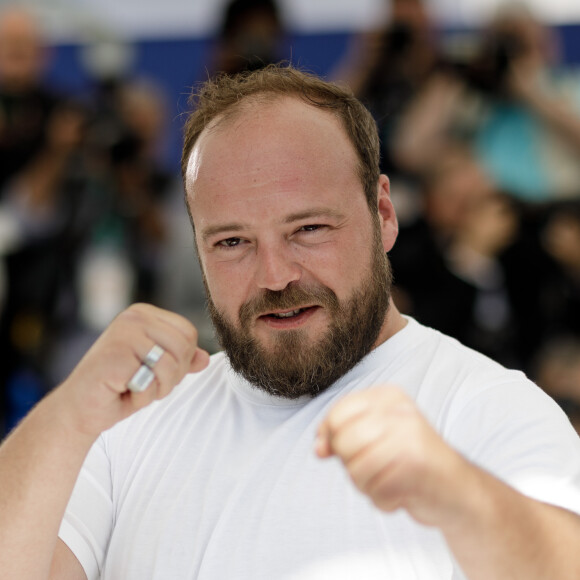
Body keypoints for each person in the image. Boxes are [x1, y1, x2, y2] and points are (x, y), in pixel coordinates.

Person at [1, 64, 580, 580]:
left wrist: (459, 497)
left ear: (382, 215)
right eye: (232, 241)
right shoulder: (129, 425)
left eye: (308, 229)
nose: (275, 276)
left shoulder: (484, 406)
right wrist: (68, 413)